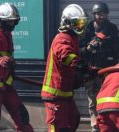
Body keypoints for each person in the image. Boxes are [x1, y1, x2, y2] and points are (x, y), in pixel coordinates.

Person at [41, 4, 88, 132]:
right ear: (68, 23)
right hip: (55, 94)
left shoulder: (73, 38)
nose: (81, 26)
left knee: (73, 120)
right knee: (58, 127)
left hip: (65, 93)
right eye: (77, 23)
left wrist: (89, 70)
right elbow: (66, 55)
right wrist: (80, 65)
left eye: (82, 23)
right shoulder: (62, 38)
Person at [79, 1, 119, 131]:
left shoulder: (112, 28)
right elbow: (79, 49)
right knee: (92, 98)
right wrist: (88, 48)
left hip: (107, 70)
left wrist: (106, 42)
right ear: (94, 15)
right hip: (91, 69)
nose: (101, 17)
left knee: (106, 96)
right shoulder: (87, 28)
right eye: (98, 14)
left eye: (104, 14)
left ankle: (106, 122)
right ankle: (94, 123)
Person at [0, 3, 33, 132]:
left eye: (14, 22)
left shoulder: (7, 34)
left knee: (22, 115)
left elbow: (8, 56)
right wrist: (0, 59)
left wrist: (12, 66)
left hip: (6, 84)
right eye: (10, 22)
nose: (13, 25)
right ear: (2, 21)